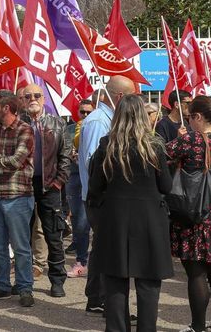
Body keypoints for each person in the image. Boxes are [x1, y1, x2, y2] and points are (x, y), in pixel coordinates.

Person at [87, 94, 172, 332]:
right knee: (148, 283)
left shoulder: (107, 145)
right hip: (149, 218)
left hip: (116, 217)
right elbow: (165, 186)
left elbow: (95, 187)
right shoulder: (154, 145)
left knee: (115, 282)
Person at [167, 95, 211, 332]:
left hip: (197, 210)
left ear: (198, 117)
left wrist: (180, 139)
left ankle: (197, 326)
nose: (188, 122)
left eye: (190, 118)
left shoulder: (193, 140)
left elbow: (163, 155)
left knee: (196, 271)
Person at [80, 74, 136, 317]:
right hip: (101, 199)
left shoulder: (107, 119)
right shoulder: (98, 121)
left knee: (103, 248)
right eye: (134, 96)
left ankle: (96, 298)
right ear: (121, 97)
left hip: (105, 199)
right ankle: (102, 300)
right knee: (108, 250)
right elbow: (95, 162)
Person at [0, 90, 35, 308]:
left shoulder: (25, 130)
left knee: (20, 245)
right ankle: (1, 285)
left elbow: (17, 161)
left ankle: (24, 287)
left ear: (6, 108)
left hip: (17, 195)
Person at [17, 83, 72, 298]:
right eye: (27, 96)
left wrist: (58, 183)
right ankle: (24, 282)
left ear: (43, 99)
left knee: (53, 236)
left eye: (36, 95)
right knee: (22, 236)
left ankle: (57, 280)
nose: (32, 99)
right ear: (21, 100)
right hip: (24, 187)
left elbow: (65, 157)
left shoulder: (57, 123)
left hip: (50, 187)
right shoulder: (17, 124)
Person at [66, 98, 95, 279]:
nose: (84, 115)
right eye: (82, 112)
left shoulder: (97, 126)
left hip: (91, 179)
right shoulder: (70, 129)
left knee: (87, 222)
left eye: (88, 112)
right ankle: (81, 260)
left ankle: (88, 260)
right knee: (78, 221)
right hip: (74, 177)